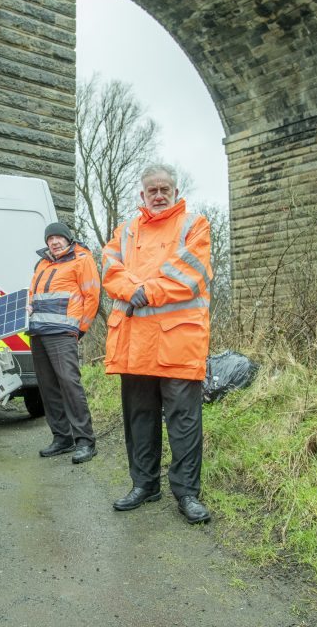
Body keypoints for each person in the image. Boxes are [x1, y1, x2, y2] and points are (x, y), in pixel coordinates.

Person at [101, 163, 214, 524]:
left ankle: (187, 493)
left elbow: (190, 275)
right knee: (139, 419)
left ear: (176, 192)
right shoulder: (126, 230)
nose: (159, 195)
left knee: (183, 423)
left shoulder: (194, 225)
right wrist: (130, 288)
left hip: (178, 341)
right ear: (142, 195)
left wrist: (143, 290)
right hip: (135, 343)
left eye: (165, 188)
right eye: (153, 190)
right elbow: (108, 269)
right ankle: (144, 485)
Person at [27, 221, 101, 464]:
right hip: (38, 331)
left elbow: (92, 297)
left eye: (59, 238)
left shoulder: (82, 260)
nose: (54, 242)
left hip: (63, 333)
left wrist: (80, 330)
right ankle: (62, 438)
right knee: (47, 388)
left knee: (70, 385)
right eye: (50, 239)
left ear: (68, 239)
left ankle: (85, 441)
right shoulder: (42, 263)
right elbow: (32, 293)